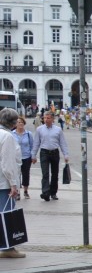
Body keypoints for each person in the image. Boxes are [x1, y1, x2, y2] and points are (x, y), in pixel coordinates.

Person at [0, 109, 24, 259]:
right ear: (14, 123)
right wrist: (13, 184)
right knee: (6, 214)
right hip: (4, 182)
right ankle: (7, 247)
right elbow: (7, 163)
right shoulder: (7, 136)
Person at [31, 110, 70, 201]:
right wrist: (33, 155)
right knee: (45, 174)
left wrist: (66, 154)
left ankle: (53, 192)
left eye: (48, 118)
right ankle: (45, 193)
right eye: (45, 118)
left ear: (53, 119)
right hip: (44, 152)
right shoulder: (39, 129)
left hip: (54, 153)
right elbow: (36, 143)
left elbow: (62, 143)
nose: (46, 120)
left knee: (55, 174)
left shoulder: (58, 130)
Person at [14, 116, 34, 200]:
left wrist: (33, 156)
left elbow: (32, 146)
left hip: (26, 157)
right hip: (16, 157)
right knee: (17, 175)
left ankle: (25, 191)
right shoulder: (12, 134)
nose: (20, 123)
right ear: (15, 124)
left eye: (22, 122)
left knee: (26, 174)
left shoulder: (28, 134)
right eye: (18, 122)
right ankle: (17, 192)